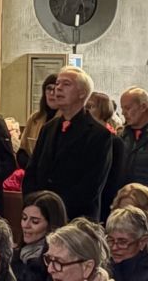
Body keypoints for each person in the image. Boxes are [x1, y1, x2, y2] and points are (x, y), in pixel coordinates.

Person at [23, 66, 113, 221]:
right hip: (42, 216)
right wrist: (35, 204)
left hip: (75, 218)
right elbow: (32, 171)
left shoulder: (99, 134)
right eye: (57, 84)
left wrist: (54, 210)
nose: (58, 89)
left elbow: (91, 185)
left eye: (66, 84)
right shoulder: (48, 128)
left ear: (82, 93)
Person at [13, 191, 67, 281]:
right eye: (24, 218)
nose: (26, 225)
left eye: (35, 221)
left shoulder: (56, 264)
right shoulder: (14, 255)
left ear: (50, 225)